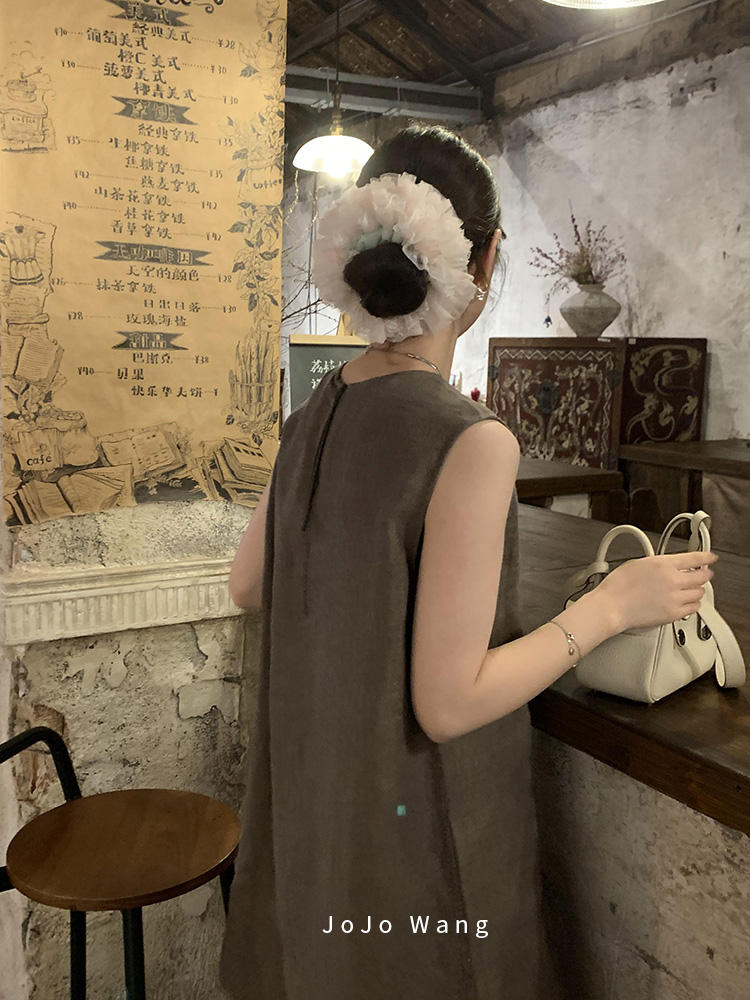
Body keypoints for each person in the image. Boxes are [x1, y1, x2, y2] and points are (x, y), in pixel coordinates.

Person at [219, 125, 717, 1000]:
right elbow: (448, 705)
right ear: (486, 260)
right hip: (412, 842)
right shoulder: (470, 440)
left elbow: (247, 583)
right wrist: (610, 606)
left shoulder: (313, 412)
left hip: (314, 811)